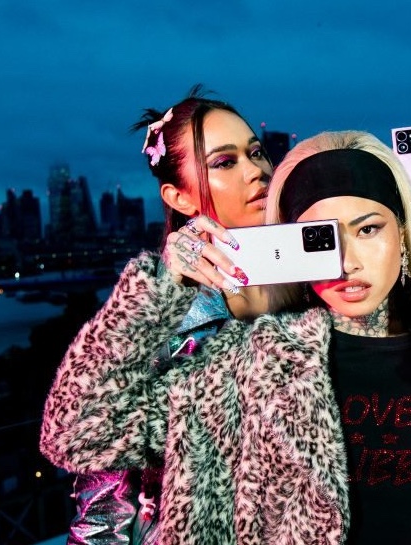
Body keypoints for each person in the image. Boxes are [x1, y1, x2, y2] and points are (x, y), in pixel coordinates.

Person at [40, 130, 411, 544]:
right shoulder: (252, 365)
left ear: (403, 235)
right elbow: (76, 434)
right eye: (320, 238)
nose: (347, 262)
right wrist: (166, 283)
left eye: (368, 230)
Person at [62, 85, 274, 544]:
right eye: (225, 162)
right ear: (179, 198)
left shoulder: (322, 285)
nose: (256, 170)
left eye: (257, 152)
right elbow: (100, 495)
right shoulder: (160, 320)